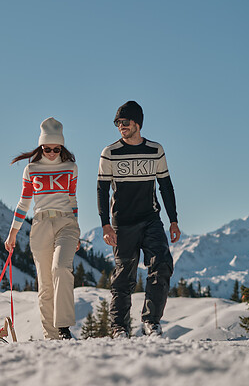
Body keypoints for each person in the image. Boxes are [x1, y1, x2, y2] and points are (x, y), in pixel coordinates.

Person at [97, 101, 181, 338]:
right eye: (117, 123)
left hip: (150, 219)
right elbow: (102, 190)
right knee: (124, 276)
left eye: (124, 122)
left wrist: (173, 220)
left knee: (162, 265)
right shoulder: (110, 152)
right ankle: (119, 327)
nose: (120, 126)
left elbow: (165, 186)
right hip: (122, 223)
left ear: (137, 123)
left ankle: (151, 322)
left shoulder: (155, 150)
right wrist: (105, 224)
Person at [5, 117, 80, 340]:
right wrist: (13, 232)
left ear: (62, 147)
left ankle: (64, 327)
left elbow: (73, 200)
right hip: (40, 225)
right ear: (41, 147)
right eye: (47, 148)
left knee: (61, 268)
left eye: (57, 149)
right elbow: (24, 203)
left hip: (66, 223)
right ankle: (51, 337)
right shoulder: (31, 169)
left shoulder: (71, 168)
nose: (52, 153)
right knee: (46, 285)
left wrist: (77, 229)